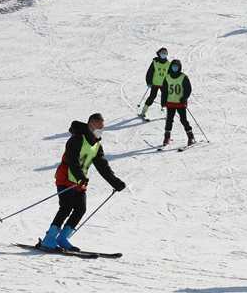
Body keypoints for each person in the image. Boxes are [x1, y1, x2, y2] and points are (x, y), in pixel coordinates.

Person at [39, 113, 126, 251]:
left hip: (80, 181)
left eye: (102, 128)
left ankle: (62, 238)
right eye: (99, 127)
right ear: (91, 124)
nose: (101, 131)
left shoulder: (97, 145)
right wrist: (79, 176)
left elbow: (103, 166)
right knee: (66, 207)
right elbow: (71, 160)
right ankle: (49, 239)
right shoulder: (77, 139)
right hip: (65, 177)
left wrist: (115, 182)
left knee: (80, 209)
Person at [160, 59, 195, 148]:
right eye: (173, 66)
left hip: (180, 103)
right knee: (169, 120)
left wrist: (184, 98)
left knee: (183, 120)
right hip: (170, 102)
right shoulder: (167, 77)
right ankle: (166, 137)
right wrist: (163, 101)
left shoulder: (183, 77)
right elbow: (164, 90)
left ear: (179, 67)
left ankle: (191, 137)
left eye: (177, 66)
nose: (175, 68)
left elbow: (188, 89)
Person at [139, 47, 170, 120]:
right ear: (159, 53)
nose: (164, 54)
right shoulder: (155, 62)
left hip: (164, 84)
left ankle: (168, 114)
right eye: (162, 53)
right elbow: (150, 72)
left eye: (165, 53)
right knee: (152, 97)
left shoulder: (168, 64)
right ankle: (143, 111)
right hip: (155, 83)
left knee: (166, 98)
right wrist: (149, 82)